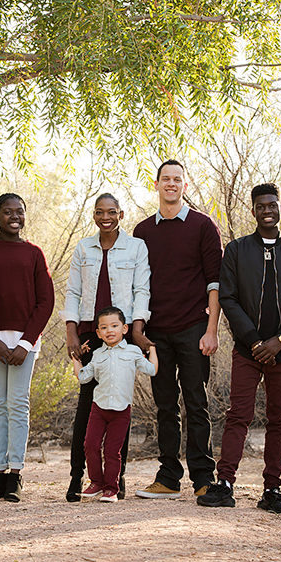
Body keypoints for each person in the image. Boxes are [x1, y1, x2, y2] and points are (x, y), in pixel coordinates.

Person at [197, 183, 281, 515]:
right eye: (260, 205)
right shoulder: (236, 251)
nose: (267, 210)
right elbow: (228, 298)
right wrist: (252, 340)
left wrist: (279, 340)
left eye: (272, 204)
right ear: (253, 211)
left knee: (279, 420)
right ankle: (225, 485)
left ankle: (272, 490)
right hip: (247, 350)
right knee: (238, 416)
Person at [132, 160, 223, 499]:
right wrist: (138, 330)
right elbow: (139, 285)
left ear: (186, 185)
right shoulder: (143, 231)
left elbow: (216, 283)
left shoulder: (203, 225)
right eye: (165, 179)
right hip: (157, 334)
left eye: (177, 180)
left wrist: (211, 329)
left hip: (193, 328)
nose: (171, 184)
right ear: (156, 185)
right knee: (165, 406)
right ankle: (169, 477)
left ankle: (203, 478)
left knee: (196, 403)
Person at [61, 193, 151, 502]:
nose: (105, 217)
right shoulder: (84, 248)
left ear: (121, 214)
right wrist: (72, 333)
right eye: (99, 212)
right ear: (94, 215)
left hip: (121, 334)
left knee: (118, 404)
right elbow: (73, 291)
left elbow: (142, 290)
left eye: (111, 212)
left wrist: (136, 331)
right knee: (87, 407)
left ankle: (116, 479)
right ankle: (78, 478)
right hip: (90, 332)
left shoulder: (136, 247)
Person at [0, 193, 55, 503]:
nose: (14, 216)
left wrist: (25, 342)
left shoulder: (34, 253)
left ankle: (15, 477)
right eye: (7, 212)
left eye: (19, 211)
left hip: (25, 343)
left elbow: (45, 301)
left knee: (18, 404)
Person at [78, 307, 158, 503]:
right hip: (99, 408)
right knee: (90, 445)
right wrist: (76, 358)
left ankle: (111, 489)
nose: (109, 330)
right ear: (98, 333)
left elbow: (152, 370)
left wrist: (152, 349)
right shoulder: (97, 354)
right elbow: (83, 377)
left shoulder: (133, 351)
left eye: (114, 326)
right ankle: (96, 482)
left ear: (124, 329)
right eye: (104, 327)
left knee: (113, 451)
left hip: (121, 410)